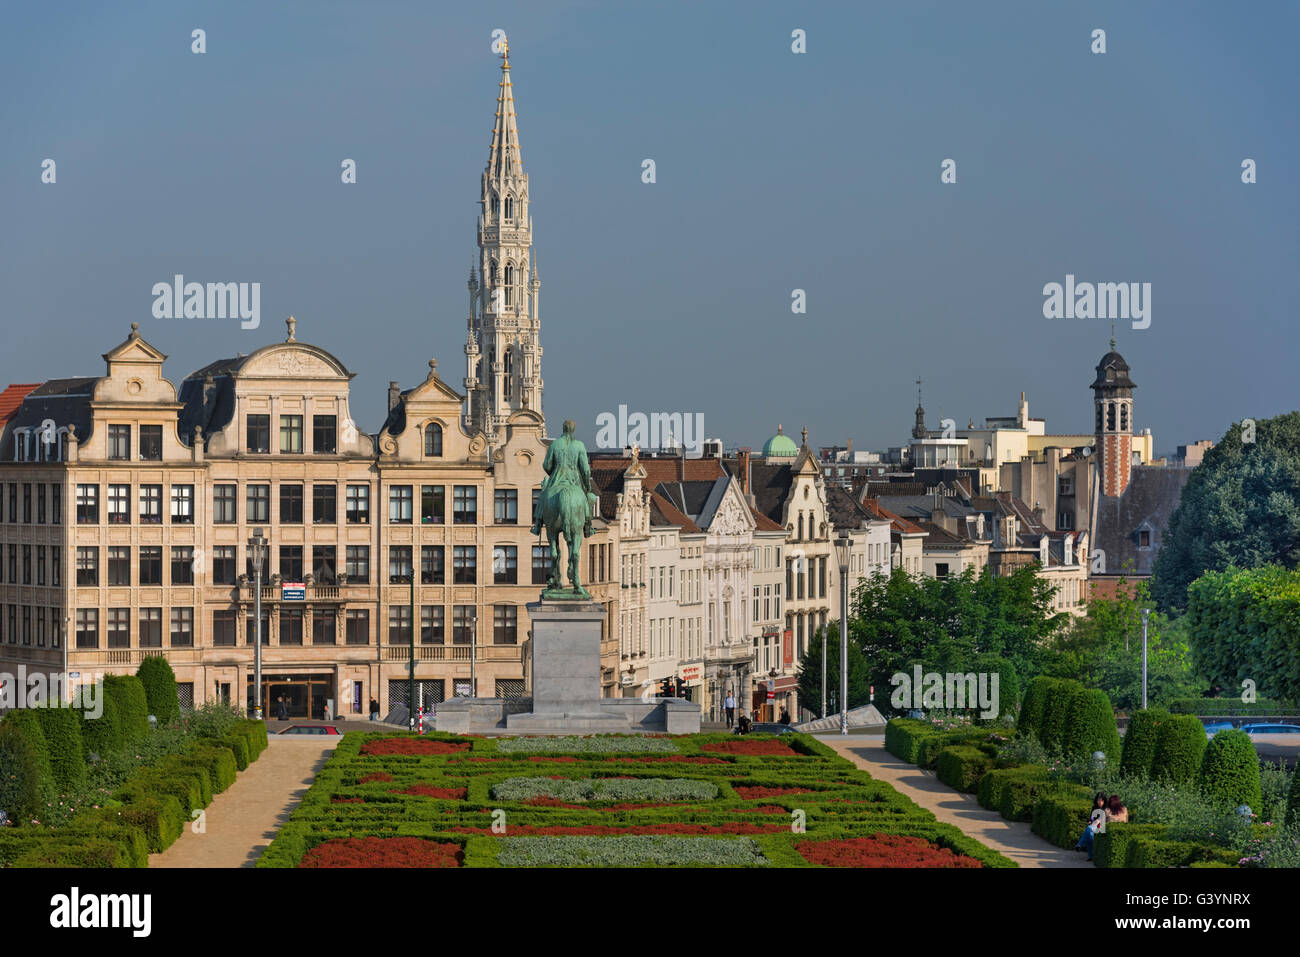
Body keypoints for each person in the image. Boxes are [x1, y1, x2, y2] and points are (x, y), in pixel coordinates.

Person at [1075, 792, 1108, 859]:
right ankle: (1090, 856)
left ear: (1104, 801)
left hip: (1101, 827)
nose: (1099, 802)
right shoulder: (1094, 808)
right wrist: (1090, 821)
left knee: (1089, 828)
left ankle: (1080, 844)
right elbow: (1092, 817)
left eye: (1101, 800)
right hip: (1094, 826)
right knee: (1090, 835)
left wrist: (1093, 824)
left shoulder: (1106, 809)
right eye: (1098, 800)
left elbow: (1101, 820)